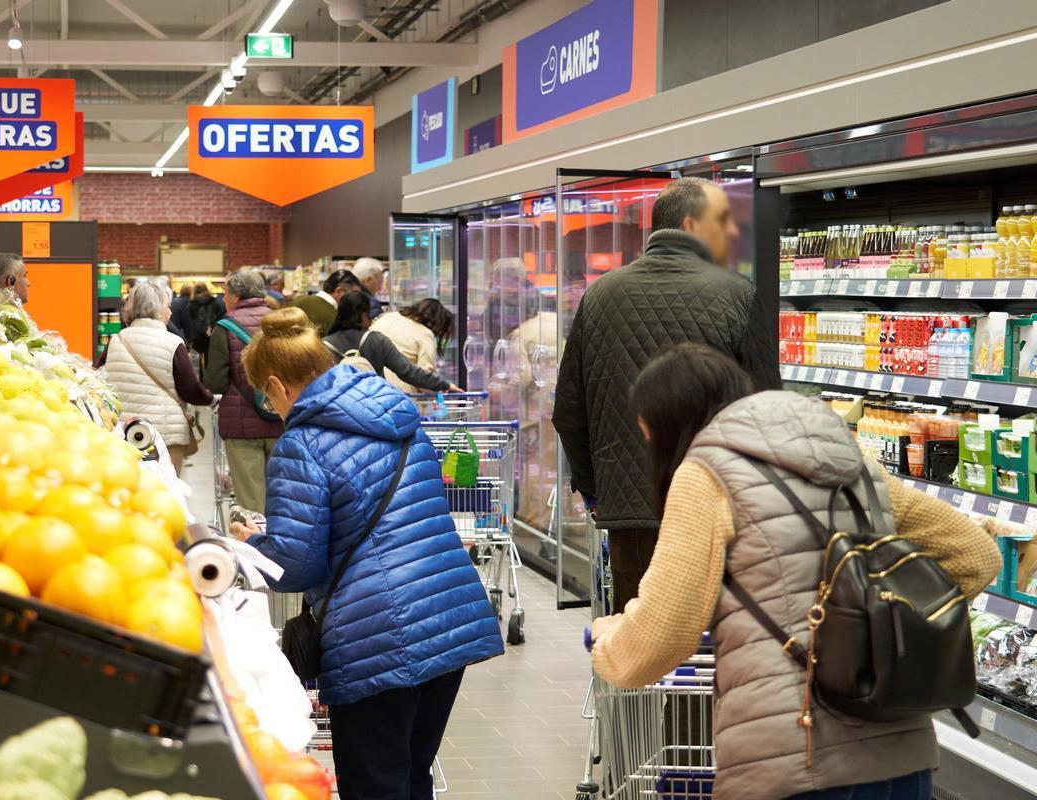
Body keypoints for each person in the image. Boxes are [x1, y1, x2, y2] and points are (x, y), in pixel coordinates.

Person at [587, 343, 1001, 800]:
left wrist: (609, 643)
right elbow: (975, 556)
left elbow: (663, 632)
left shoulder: (706, 474)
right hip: (900, 754)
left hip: (792, 759)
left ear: (669, 425)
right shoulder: (853, 462)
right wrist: (874, 627)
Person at [229, 307, 503, 800]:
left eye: (266, 397)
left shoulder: (301, 443)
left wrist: (251, 547)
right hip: (448, 612)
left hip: (377, 633)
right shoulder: (394, 411)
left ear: (277, 384)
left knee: (374, 785)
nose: (272, 407)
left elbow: (295, 563)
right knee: (413, 774)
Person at [552, 177, 781, 609]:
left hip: (630, 513)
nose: (732, 234)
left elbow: (568, 411)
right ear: (693, 226)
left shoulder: (599, 296)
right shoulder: (738, 296)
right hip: (717, 507)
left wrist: (598, 492)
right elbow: (767, 409)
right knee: (714, 649)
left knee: (642, 648)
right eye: (722, 222)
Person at [102, 282, 213, 475]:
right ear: (158, 308)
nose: (169, 311)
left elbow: (98, 377)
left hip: (124, 431)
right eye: (167, 305)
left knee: (128, 490)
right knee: (167, 493)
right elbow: (190, 389)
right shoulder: (173, 343)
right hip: (165, 432)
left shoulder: (116, 340)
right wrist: (210, 399)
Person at [203, 268, 285, 514]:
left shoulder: (225, 328)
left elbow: (215, 382)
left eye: (226, 292)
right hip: (280, 418)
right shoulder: (281, 322)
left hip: (241, 426)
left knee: (251, 503)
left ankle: (255, 547)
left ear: (236, 295)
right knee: (281, 495)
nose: (224, 298)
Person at [323, 292, 460, 394]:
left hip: (335, 410)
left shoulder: (325, 344)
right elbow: (409, 372)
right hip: (374, 406)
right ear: (364, 316)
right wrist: (445, 386)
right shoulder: (375, 340)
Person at [369, 297, 455, 394]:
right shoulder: (425, 334)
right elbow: (425, 382)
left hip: (367, 386)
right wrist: (445, 387)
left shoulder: (388, 317)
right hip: (397, 395)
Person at [292, 269, 361, 334]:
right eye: (354, 294)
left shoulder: (297, 301)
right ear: (339, 291)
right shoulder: (334, 317)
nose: (357, 299)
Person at [188, 282, 221, 358]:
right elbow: (219, 317)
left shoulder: (191, 305)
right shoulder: (214, 303)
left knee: (196, 363)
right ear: (207, 290)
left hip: (197, 337)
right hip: (212, 336)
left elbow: (190, 322)